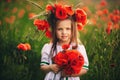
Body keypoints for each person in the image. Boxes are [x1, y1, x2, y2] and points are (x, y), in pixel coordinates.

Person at [40, 4, 89, 80]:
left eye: (68, 29)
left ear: (73, 30)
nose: (64, 32)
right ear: (54, 31)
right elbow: (43, 66)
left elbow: (85, 69)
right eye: (60, 29)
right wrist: (50, 67)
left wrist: (69, 74)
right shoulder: (49, 47)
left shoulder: (78, 48)